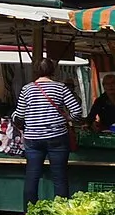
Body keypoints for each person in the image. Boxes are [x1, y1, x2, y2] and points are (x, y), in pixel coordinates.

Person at [13, 60, 83, 205]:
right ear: (53, 71)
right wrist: (67, 118)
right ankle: (61, 210)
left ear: (36, 71)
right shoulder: (61, 88)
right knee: (59, 176)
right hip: (57, 136)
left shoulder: (27, 89)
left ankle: (30, 210)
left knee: (32, 175)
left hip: (33, 138)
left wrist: (17, 119)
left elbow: (19, 115)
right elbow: (77, 111)